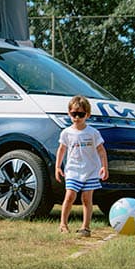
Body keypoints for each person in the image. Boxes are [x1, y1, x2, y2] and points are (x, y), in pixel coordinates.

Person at [56, 96, 108, 235]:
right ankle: (63, 224)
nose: (77, 117)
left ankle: (85, 227)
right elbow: (62, 149)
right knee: (70, 196)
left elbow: (101, 150)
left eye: (81, 114)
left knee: (87, 198)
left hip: (90, 170)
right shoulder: (66, 133)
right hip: (73, 169)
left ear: (87, 115)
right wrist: (58, 166)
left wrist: (104, 167)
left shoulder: (93, 133)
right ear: (69, 114)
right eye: (74, 114)